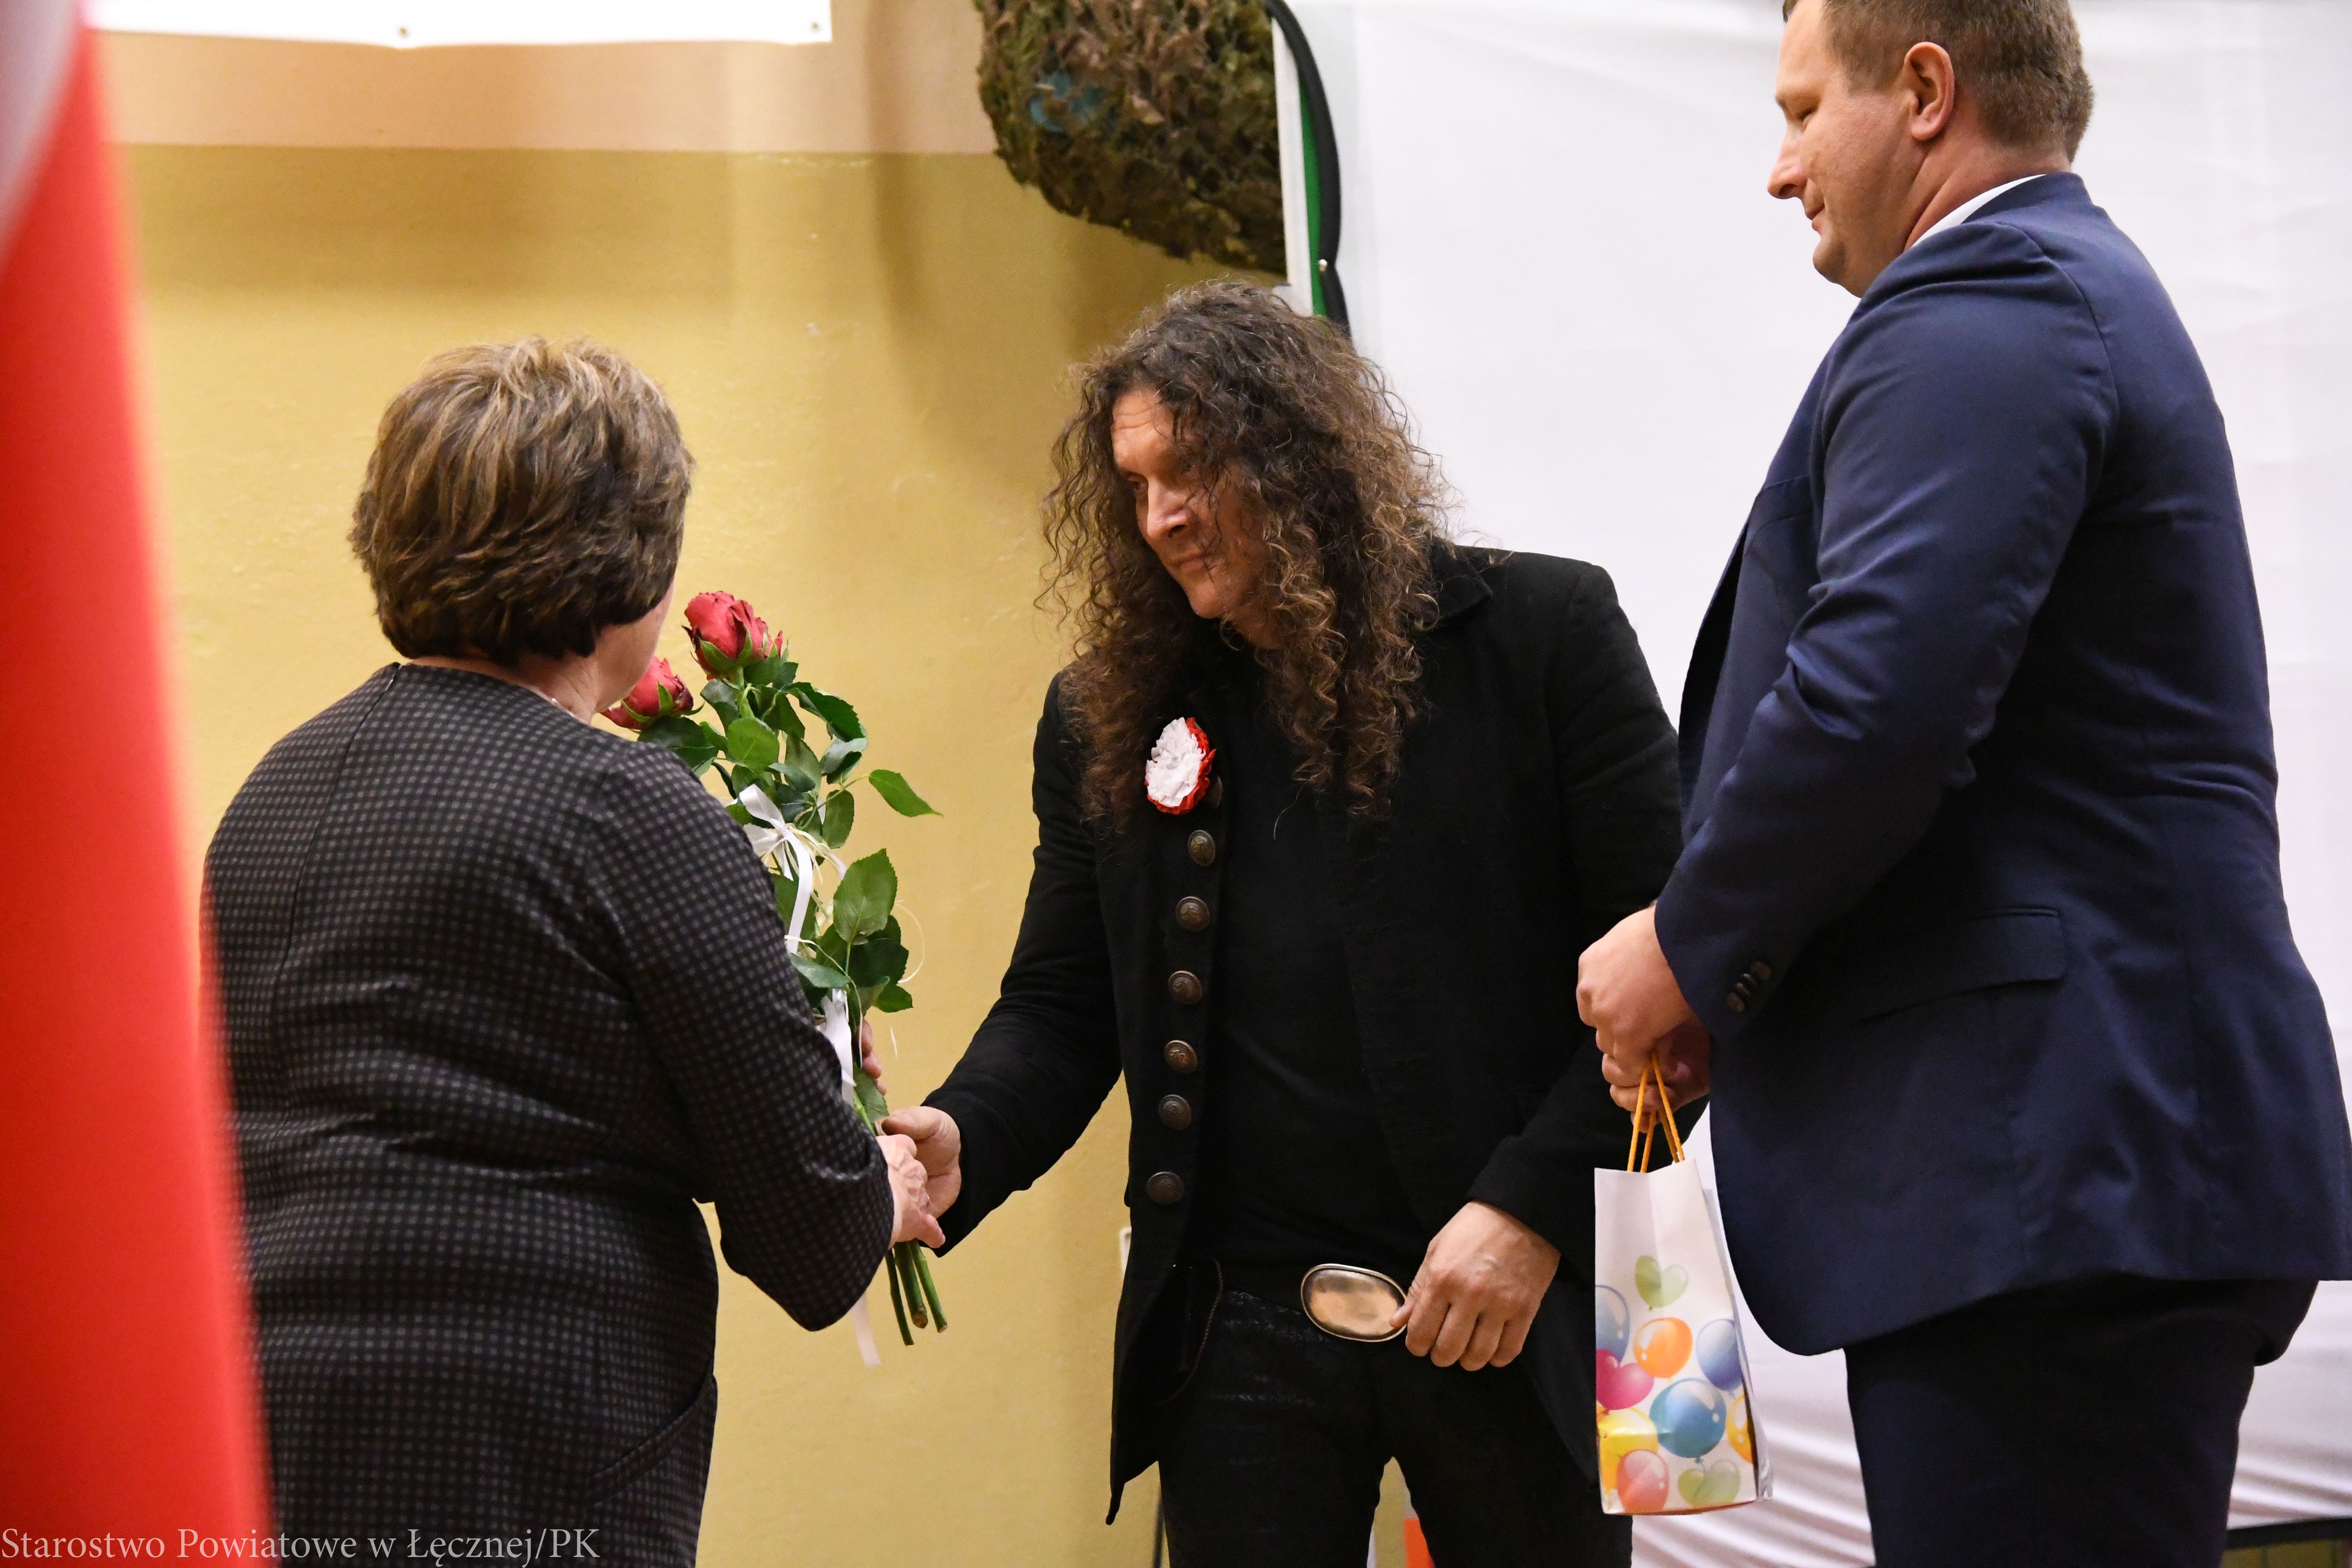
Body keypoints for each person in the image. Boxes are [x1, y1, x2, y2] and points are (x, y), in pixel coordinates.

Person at [1574, 3, 2352, 1565]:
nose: (1780, 170)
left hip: (2054, 1190)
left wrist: (1690, 952)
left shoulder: (1992, 301)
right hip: (2053, 1189)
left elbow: (1876, 703)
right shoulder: (2041, 304)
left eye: (1803, 112)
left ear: (1925, 92)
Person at [882, 282, 1684, 1565]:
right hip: (1237, 1320)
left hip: (1504, 1294)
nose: (1164, 518)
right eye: (1138, 486)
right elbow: (1064, 1004)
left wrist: (1532, 1212)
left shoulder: (1544, 636)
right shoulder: (1106, 711)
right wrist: (964, 1134)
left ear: (1304, 456)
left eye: (1194, 470)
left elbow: (1676, 972)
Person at [207, 338, 941, 1560]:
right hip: (531, 1440)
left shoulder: (274, 795)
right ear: (632, 571)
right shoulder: (628, 811)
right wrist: (881, 1188)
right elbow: (809, 1235)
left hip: (267, 1422)